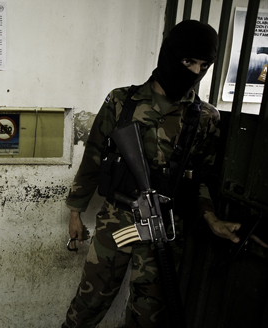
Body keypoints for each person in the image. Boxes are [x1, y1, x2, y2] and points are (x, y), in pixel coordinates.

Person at [62, 20, 245, 327]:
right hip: (116, 220)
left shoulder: (207, 118)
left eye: (204, 65)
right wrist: (75, 212)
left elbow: (199, 179)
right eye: (188, 61)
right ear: (169, 55)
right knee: (89, 302)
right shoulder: (121, 101)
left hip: (165, 225)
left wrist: (211, 218)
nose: (196, 73)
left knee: (150, 315)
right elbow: (93, 158)